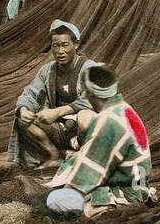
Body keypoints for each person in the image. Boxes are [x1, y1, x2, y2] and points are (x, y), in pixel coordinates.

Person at [44, 64, 156, 219]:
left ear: (89, 93)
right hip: (138, 184)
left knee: (55, 201)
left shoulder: (107, 121)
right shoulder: (125, 109)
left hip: (126, 194)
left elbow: (89, 171)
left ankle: (101, 208)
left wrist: (68, 191)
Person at [7, 20, 97, 166]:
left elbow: (93, 99)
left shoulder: (89, 68)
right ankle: (54, 155)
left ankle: (86, 156)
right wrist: (24, 110)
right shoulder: (47, 70)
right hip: (59, 129)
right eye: (55, 46)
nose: (60, 51)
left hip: (82, 131)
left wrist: (56, 112)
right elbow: (30, 94)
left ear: (76, 45)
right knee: (23, 120)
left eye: (65, 45)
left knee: (86, 116)